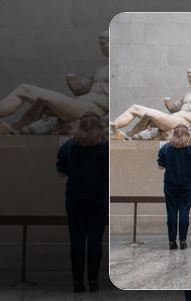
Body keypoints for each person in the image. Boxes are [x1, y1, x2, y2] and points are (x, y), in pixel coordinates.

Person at [56, 112, 108, 293]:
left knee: (76, 240)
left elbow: (61, 172)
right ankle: (93, 281)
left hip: (75, 198)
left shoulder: (69, 146)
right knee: (95, 241)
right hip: (99, 199)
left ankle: (77, 281)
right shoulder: (105, 147)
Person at [157, 124, 191, 250]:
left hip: (170, 183)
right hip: (187, 183)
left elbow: (160, 166)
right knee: (184, 211)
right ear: (187, 133)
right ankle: (183, 240)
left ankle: (171, 241)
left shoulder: (165, 148)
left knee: (171, 212)